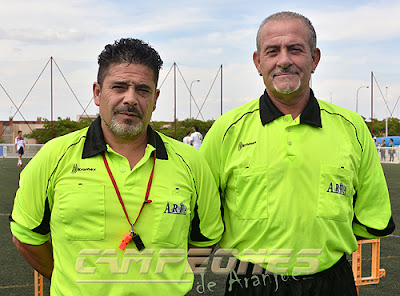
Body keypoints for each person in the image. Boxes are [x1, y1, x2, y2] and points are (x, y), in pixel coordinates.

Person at [200, 11, 395, 296]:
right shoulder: (226, 130)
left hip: (332, 282)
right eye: (272, 51)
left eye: (295, 49)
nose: (284, 60)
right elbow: (205, 218)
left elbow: (370, 218)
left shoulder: (352, 128)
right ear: (258, 62)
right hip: (250, 284)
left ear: (314, 59)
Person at [10, 38, 224, 295]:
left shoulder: (191, 162)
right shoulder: (54, 157)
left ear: (155, 99)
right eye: (119, 87)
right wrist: (70, 281)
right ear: (98, 93)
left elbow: (205, 240)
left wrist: (169, 281)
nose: (130, 99)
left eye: (143, 90)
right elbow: (27, 238)